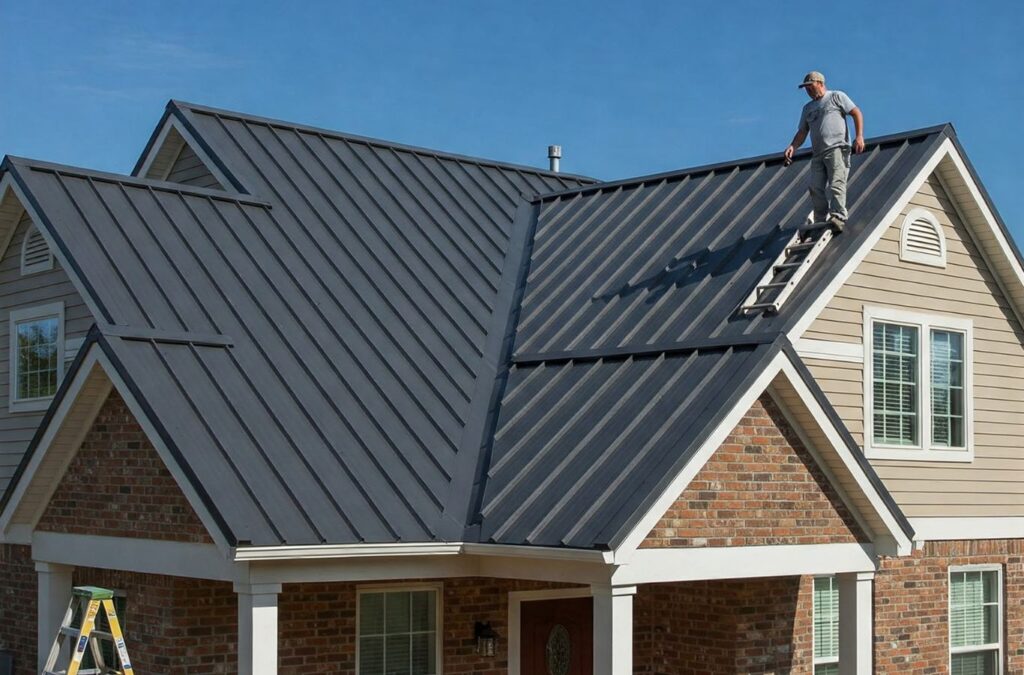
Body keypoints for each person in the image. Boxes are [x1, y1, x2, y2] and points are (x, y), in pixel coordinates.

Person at [783, 71, 865, 232]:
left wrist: (859, 136)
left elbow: (856, 112)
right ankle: (820, 219)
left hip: (837, 148)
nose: (808, 90)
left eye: (810, 86)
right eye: (806, 88)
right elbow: (802, 132)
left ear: (820, 83)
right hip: (818, 153)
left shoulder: (836, 96)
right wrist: (793, 146)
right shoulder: (808, 108)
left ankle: (838, 215)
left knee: (836, 183)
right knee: (815, 187)